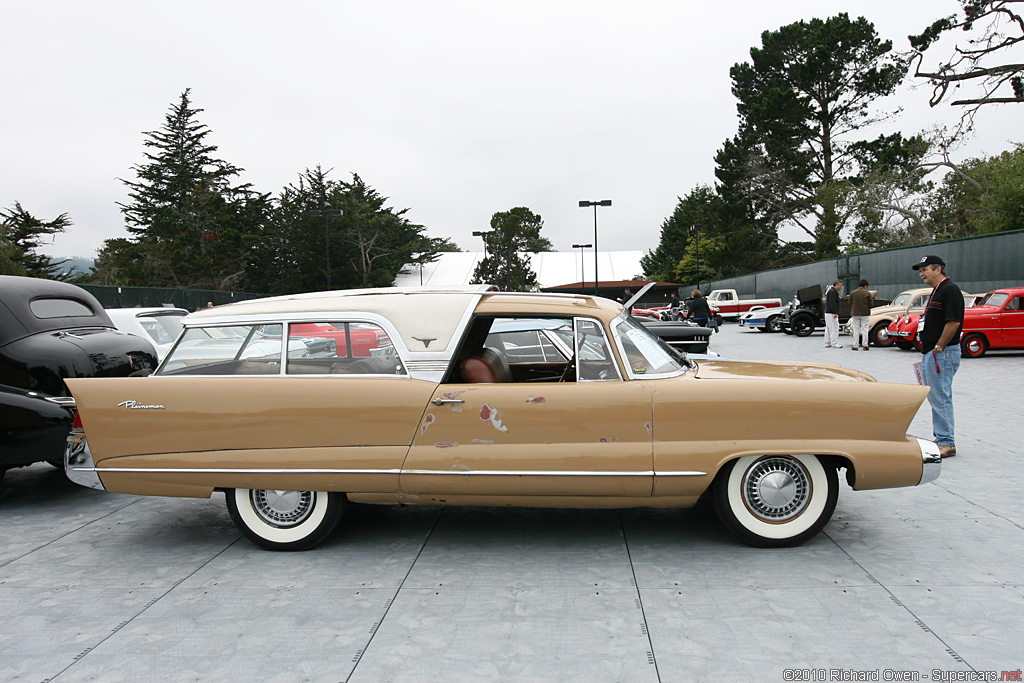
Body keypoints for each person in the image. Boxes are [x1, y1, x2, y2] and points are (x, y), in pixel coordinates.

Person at [913, 255, 964, 458]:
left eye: (925, 269)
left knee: (941, 396)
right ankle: (941, 437)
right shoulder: (937, 291)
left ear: (938, 269)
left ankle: (946, 442)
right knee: (936, 396)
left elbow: (953, 322)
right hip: (933, 353)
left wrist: (939, 347)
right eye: (921, 270)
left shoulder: (949, 290)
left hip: (941, 353)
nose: (921, 273)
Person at [848, 280, 873, 350]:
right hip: (864, 313)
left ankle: (855, 345)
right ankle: (865, 345)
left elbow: (849, 303)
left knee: (856, 329)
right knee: (865, 329)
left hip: (855, 313)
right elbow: (871, 304)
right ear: (865, 286)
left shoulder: (852, 293)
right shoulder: (867, 293)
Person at [824, 280, 843, 348]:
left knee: (828, 328)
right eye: (840, 285)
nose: (841, 287)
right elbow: (832, 302)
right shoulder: (833, 292)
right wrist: (835, 312)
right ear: (836, 285)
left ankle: (827, 342)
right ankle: (835, 343)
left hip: (828, 312)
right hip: (831, 313)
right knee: (834, 328)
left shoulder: (831, 291)